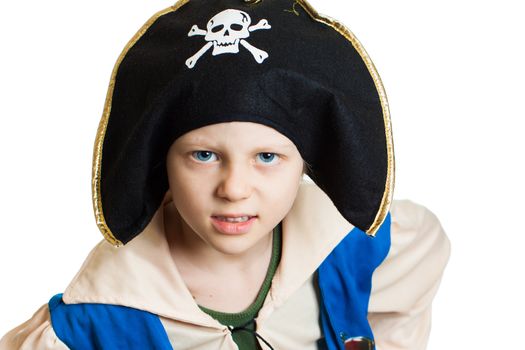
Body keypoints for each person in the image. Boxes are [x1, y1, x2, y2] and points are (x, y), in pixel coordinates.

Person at [0, 0, 450, 349]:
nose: (234, 189)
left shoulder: (349, 245)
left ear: (305, 165)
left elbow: (423, 246)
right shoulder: (89, 326)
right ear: (160, 160)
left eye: (268, 158)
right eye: (203, 155)